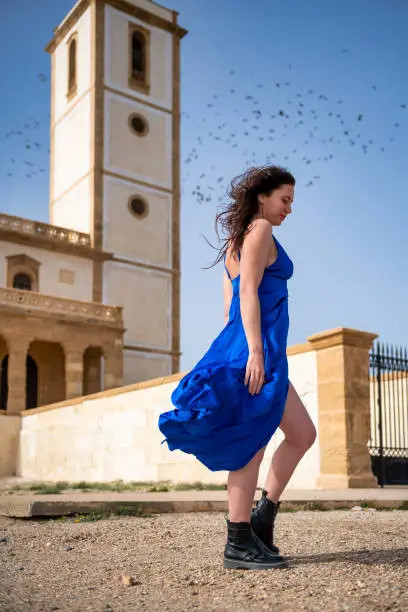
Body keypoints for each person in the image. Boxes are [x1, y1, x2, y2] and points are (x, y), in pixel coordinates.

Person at [159, 166, 316, 570]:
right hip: (255, 349)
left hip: (251, 346)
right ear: (263, 197)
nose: (289, 209)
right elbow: (246, 292)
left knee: (301, 433)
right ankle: (238, 542)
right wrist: (255, 353)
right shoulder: (260, 228)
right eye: (285, 199)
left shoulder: (236, 240)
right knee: (252, 443)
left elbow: (229, 301)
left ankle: (262, 520)